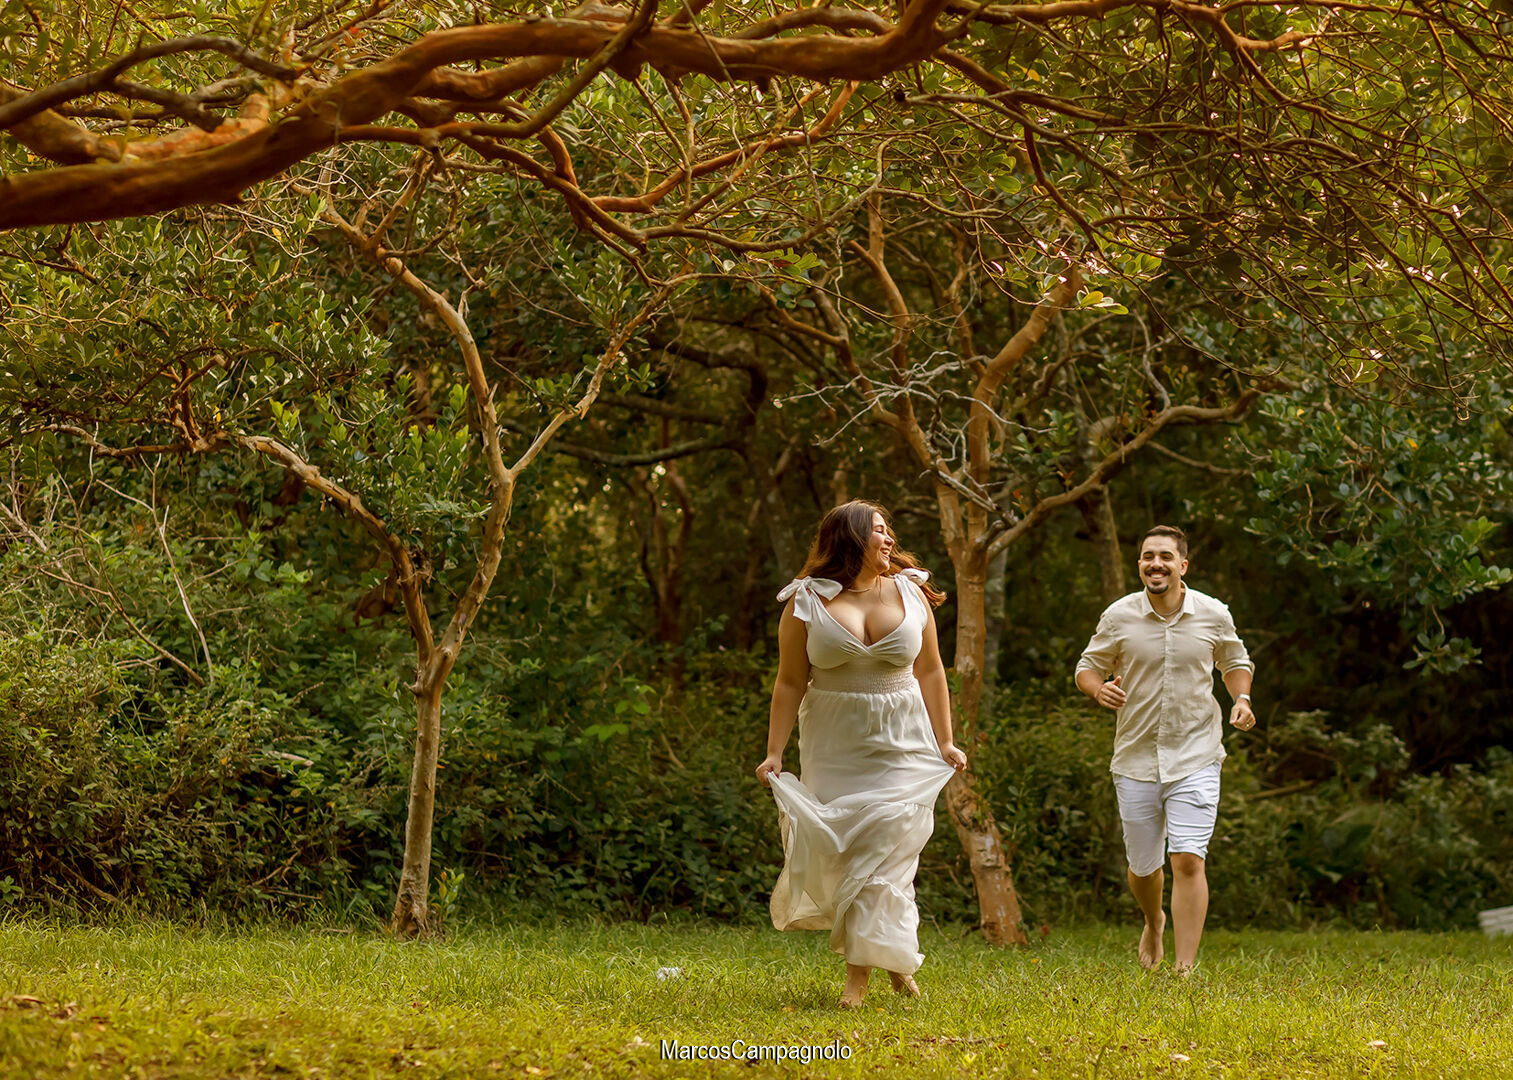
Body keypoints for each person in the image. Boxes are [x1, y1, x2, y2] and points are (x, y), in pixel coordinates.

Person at [755, 500, 967, 1008]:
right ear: (849, 539)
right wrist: (774, 752)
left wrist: (945, 739)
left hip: (904, 737)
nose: (888, 538)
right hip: (835, 739)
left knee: (888, 849)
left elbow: (932, 671)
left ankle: (858, 981)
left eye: (888, 528)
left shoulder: (910, 593)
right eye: (877, 530)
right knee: (855, 853)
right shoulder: (805, 602)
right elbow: (789, 682)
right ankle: (894, 961)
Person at [1074, 524, 1256, 975]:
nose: (1156, 563)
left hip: (1196, 753)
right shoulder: (1119, 617)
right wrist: (1098, 691)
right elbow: (1087, 667)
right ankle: (1153, 919)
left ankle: (1184, 969)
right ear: (1140, 565)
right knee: (1143, 867)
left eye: (1165, 556)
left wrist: (1242, 699)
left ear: (1183, 566)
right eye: (1147, 556)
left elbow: (1234, 662)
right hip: (1135, 757)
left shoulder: (1213, 614)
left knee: (1188, 857)